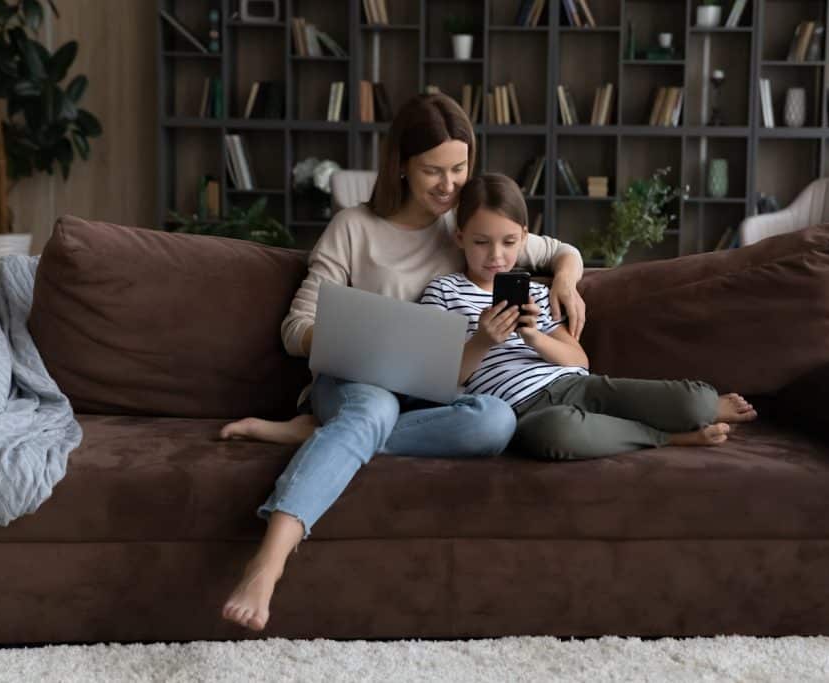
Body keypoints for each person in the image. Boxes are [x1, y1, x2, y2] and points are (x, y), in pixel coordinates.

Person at [220, 95, 587, 631]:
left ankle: (322, 436)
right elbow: (295, 329)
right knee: (369, 409)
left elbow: (561, 250)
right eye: (432, 171)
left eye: (459, 168)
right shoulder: (354, 228)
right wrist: (368, 338)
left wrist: (567, 280)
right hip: (357, 381)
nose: (449, 185)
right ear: (400, 166)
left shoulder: (468, 227)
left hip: (434, 389)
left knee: (496, 421)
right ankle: (266, 564)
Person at [419, 174, 758, 461]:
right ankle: (667, 438)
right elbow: (434, 379)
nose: (496, 255)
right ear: (460, 237)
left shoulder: (534, 291)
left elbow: (578, 359)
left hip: (575, 385)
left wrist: (535, 337)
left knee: (697, 402)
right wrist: (483, 340)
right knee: (558, 432)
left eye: (509, 242)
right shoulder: (444, 291)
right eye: (481, 242)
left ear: (524, 237)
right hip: (520, 410)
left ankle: (684, 417)